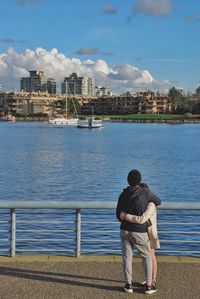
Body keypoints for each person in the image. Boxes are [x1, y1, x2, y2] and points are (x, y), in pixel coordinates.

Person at [116, 170, 161, 294]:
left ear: (128, 180)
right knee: (146, 256)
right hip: (139, 231)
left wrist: (125, 216)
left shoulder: (123, 194)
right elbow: (158, 201)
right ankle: (149, 286)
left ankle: (128, 285)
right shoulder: (145, 193)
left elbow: (118, 215)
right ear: (139, 180)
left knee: (127, 257)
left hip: (124, 230)